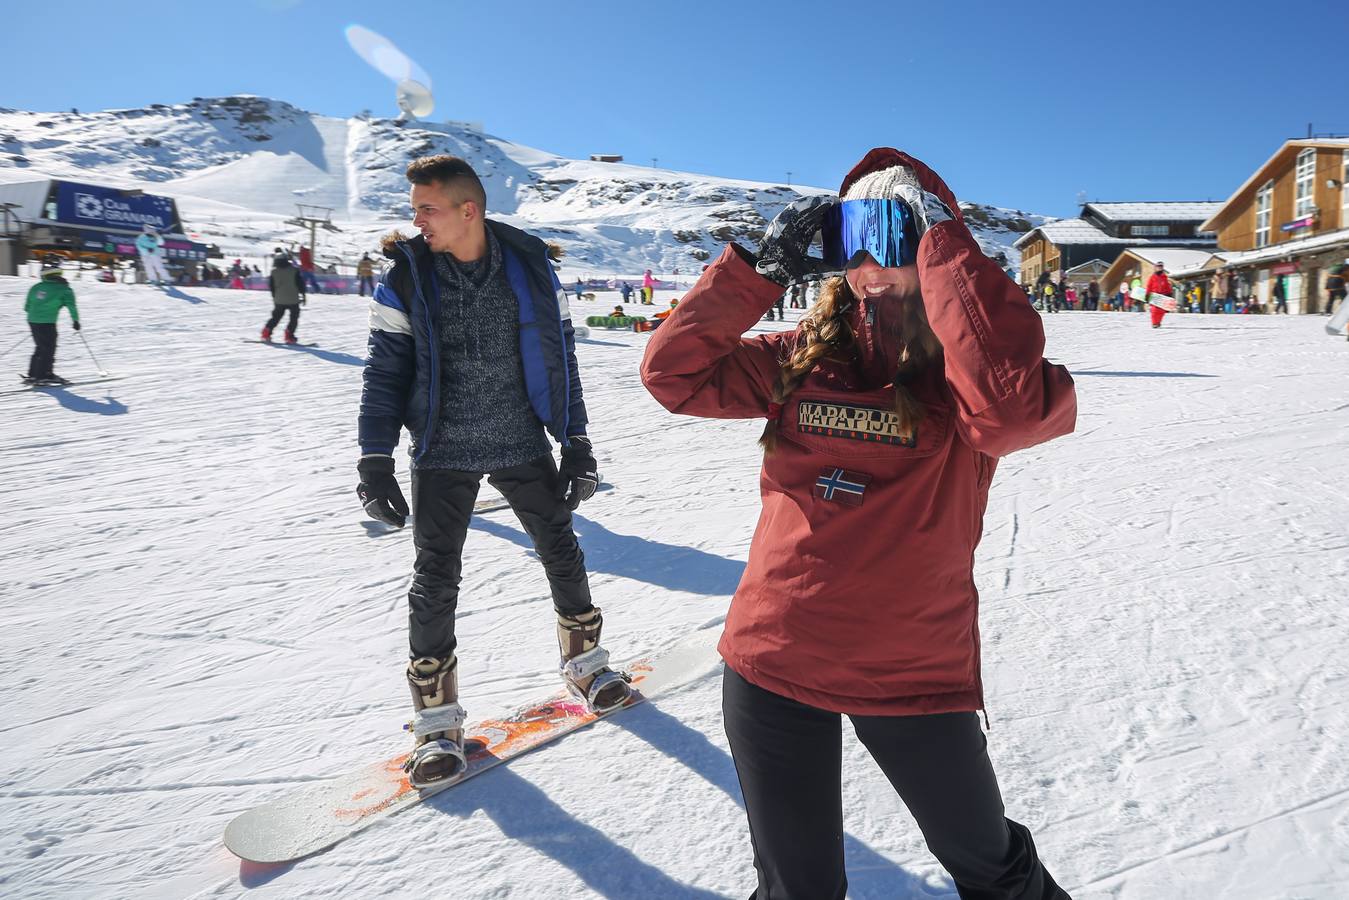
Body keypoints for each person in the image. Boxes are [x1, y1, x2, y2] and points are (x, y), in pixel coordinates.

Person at [641, 148, 1075, 900]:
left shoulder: (967, 376)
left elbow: (1010, 418)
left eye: (892, 235)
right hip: (774, 656)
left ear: (935, 244)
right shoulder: (800, 358)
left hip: (909, 668)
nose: (870, 265)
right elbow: (672, 376)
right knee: (796, 889)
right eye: (851, 239)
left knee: (994, 871)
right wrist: (755, 270)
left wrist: (947, 253)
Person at [355, 154, 629, 787]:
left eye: (427, 209)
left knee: (561, 549)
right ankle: (436, 724)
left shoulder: (531, 269)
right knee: (435, 578)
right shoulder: (406, 277)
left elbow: (562, 360)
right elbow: (383, 373)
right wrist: (374, 458)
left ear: (468, 210)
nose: (417, 221)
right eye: (415, 210)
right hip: (442, 447)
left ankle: (588, 666)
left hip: (519, 439)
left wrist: (577, 441)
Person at [24, 259, 81, 385]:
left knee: (40, 347)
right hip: (47, 322)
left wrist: (37, 315)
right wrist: (75, 321)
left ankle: (33, 374)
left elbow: (26, 307)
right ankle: (43, 375)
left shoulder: (36, 287)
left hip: (32, 320)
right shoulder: (64, 289)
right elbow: (72, 306)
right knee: (48, 348)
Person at [262, 254, 307, 343]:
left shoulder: (274, 272)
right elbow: (300, 284)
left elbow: (272, 286)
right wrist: (303, 295)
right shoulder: (294, 270)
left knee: (276, 317)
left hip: (279, 299)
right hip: (293, 299)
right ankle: (289, 335)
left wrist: (275, 296)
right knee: (293, 318)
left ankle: (266, 332)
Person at [1145, 262, 1173, 328]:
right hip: (1155, 295)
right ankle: (1154, 323)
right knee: (1154, 310)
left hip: (1163, 295)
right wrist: (1147, 295)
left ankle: (1158, 322)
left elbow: (1167, 286)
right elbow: (1149, 286)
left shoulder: (1164, 277)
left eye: (1161, 266)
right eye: (1158, 266)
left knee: (1161, 311)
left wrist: (1169, 293)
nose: (1159, 268)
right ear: (1155, 268)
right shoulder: (1152, 277)